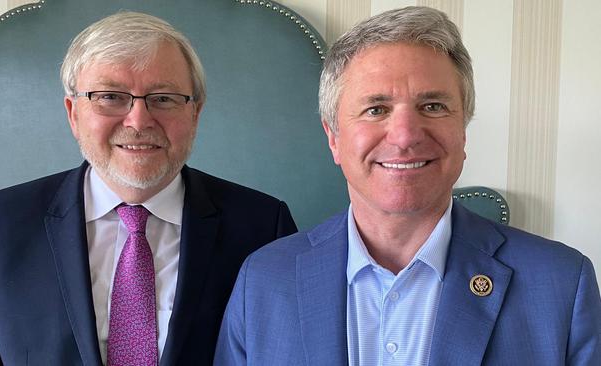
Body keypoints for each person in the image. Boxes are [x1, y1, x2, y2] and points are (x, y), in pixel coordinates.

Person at [214, 6, 601, 366]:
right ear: (334, 137)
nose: (404, 136)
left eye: (432, 106)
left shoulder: (562, 285)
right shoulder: (264, 281)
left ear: (462, 130)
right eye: (376, 109)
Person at [0, 11, 297, 366]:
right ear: (73, 113)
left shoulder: (263, 228)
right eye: (110, 97)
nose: (138, 120)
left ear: (196, 113)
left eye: (163, 98)